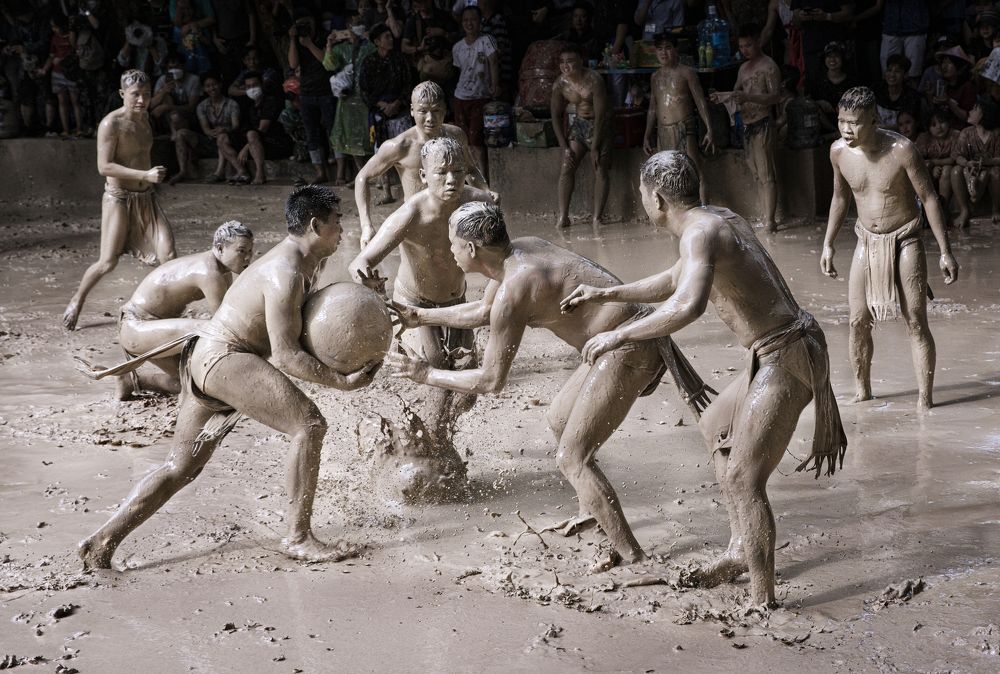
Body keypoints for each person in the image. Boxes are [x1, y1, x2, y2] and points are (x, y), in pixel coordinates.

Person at [565, 151, 848, 607]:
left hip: (788, 354)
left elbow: (687, 306)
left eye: (641, 192)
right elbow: (676, 280)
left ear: (655, 197)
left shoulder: (700, 232)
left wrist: (618, 334)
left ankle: (763, 599)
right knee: (716, 425)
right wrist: (607, 292)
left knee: (742, 479)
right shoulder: (713, 219)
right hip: (775, 349)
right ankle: (740, 549)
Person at [387, 199, 711, 571]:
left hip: (629, 346)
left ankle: (633, 557)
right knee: (559, 420)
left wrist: (425, 374)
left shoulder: (514, 287)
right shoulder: (519, 253)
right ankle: (592, 512)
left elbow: (492, 381)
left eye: (452, 243)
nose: (449, 250)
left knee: (572, 458)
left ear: (472, 249)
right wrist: (420, 316)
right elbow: (481, 312)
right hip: (612, 344)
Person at [77, 185, 382, 571]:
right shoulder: (284, 272)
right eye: (338, 222)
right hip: (225, 358)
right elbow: (287, 355)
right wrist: (343, 382)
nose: (343, 229)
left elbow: (308, 324)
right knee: (309, 425)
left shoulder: (310, 261)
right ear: (315, 224)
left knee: (180, 468)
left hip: (207, 359)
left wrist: (366, 301)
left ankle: (101, 542)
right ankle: (298, 537)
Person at [349, 138, 493, 469]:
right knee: (439, 368)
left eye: (458, 172)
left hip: (457, 300)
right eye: (441, 172)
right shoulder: (411, 213)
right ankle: (432, 448)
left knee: (470, 386)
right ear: (424, 176)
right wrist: (367, 281)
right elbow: (361, 261)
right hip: (414, 304)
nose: (452, 180)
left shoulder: (478, 204)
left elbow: (502, 258)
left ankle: (436, 432)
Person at [822, 86, 959, 413]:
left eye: (854, 122)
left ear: (873, 119)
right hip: (865, 240)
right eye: (842, 121)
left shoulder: (902, 150)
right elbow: (840, 198)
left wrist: (945, 251)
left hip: (906, 239)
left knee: (915, 321)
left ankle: (925, 399)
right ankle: (863, 391)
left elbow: (928, 198)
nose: (846, 129)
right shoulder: (838, 152)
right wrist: (827, 243)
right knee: (857, 320)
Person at [77, 221, 254, 400]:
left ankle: (132, 381)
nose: (248, 258)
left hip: (154, 329)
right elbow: (224, 326)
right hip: (136, 328)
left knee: (197, 385)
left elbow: (230, 312)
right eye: (241, 251)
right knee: (207, 330)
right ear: (220, 248)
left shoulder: (222, 270)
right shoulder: (209, 273)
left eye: (250, 251)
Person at [63, 70, 176, 332]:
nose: (141, 100)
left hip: (146, 198)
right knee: (107, 262)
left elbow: (155, 101)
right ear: (122, 94)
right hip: (119, 198)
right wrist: (144, 174)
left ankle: (162, 307)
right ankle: (77, 300)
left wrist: (163, 93)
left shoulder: (146, 116)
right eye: (135, 94)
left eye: (146, 95)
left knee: (168, 256)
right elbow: (104, 167)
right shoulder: (110, 124)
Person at [354, 80, 493, 246]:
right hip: (416, 222)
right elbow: (362, 177)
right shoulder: (400, 146)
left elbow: (470, 169)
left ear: (445, 110)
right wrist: (366, 225)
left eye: (436, 110)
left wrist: (486, 192)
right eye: (423, 111)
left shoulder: (456, 135)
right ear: (412, 111)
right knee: (414, 271)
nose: (430, 118)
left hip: (452, 217)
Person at [711, 24, 782, 232]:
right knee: (757, 173)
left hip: (763, 122)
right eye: (741, 46)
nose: (745, 50)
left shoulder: (769, 66)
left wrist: (748, 97)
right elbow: (736, 95)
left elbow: (776, 97)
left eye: (749, 45)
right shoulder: (743, 68)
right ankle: (765, 216)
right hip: (747, 125)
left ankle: (770, 221)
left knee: (767, 173)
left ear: (758, 42)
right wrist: (720, 97)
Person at [643, 32, 715, 204]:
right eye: (660, 49)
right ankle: (674, 215)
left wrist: (710, 129)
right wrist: (647, 135)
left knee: (695, 171)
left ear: (676, 50)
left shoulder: (686, 73)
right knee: (666, 174)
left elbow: (700, 102)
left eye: (668, 48)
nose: (663, 52)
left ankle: (704, 211)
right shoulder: (655, 77)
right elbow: (653, 107)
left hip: (684, 127)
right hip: (663, 130)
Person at [550, 43, 612, 229]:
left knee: (600, 168)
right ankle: (563, 217)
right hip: (579, 124)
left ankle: (597, 218)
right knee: (566, 167)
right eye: (562, 62)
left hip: (601, 125)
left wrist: (595, 147)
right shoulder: (561, 83)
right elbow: (554, 115)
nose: (565, 66)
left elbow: (601, 114)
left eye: (570, 61)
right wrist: (564, 147)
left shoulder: (594, 80)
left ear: (580, 61)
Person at [359, 22, 413, 204]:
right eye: (386, 37)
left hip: (400, 110)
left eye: (391, 36)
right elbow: (364, 90)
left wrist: (397, 103)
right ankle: (387, 192)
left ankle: (410, 192)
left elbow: (408, 85)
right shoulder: (368, 62)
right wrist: (381, 104)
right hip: (379, 113)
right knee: (381, 153)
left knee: (406, 152)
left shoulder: (400, 60)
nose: (390, 39)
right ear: (377, 41)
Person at [323, 14, 375, 187]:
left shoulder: (369, 46)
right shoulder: (341, 48)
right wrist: (329, 45)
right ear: (347, 26)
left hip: (367, 98)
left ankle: (376, 175)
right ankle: (361, 176)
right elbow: (329, 65)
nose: (357, 27)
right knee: (351, 139)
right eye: (355, 24)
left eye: (361, 24)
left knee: (371, 137)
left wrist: (369, 39)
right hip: (347, 100)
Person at [451, 6, 499, 180]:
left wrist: (495, 85)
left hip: (481, 97)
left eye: (473, 20)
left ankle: (484, 181)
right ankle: (468, 180)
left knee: (477, 142)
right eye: (466, 20)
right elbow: (458, 72)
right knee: (462, 142)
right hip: (460, 97)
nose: (469, 23)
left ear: (480, 22)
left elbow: (493, 62)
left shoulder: (487, 40)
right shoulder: (457, 47)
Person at [288, 12, 336, 184]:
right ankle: (320, 172)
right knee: (311, 134)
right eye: (300, 24)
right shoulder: (298, 41)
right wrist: (293, 40)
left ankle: (340, 172)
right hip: (307, 93)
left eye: (307, 23)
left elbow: (325, 60)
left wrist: (308, 44)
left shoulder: (323, 37)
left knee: (333, 131)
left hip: (325, 90)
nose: (304, 27)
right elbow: (293, 64)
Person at [236, 70, 294, 185]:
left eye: (255, 85)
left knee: (251, 134)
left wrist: (245, 148)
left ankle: (260, 174)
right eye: (248, 86)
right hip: (259, 144)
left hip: (276, 143)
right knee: (224, 138)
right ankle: (241, 172)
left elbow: (262, 129)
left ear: (262, 84)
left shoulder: (270, 101)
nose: (252, 89)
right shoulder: (250, 105)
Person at [191, 72, 250, 184]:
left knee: (222, 138)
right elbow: (206, 129)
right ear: (204, 88)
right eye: (208, 86)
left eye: (214, 84)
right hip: (212, 139)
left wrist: (224, 130)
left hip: (231, 138)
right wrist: (212, 133)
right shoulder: (202, 106)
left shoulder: (232, 104)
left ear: (220, 85)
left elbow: (235, 125)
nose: (212, 88)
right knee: (183, 134)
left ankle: (238, 172)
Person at [950, 98, 1000, 227]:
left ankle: (996, 209)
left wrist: (989, 161)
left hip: (991, 169)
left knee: (996, 173)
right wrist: (967, 163)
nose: (969, 112)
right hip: (972, 169)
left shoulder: (996, 133)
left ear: (984, 114)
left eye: (974, 109)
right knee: (955, 170)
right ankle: (964, 210)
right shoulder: (966, 133)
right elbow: (957, 156)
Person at [149, 50, 201, 137]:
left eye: (176, 67)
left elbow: (191, 108)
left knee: (175, 116)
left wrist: (167, 107)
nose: (173, 70)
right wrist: (164, 91)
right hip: (167, 117)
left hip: (186, 116)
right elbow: (152, 105)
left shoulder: (193, 80)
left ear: (183, 66)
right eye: (170, 68)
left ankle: (175, 134)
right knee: (166, 98)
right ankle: (173, 133)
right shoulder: (163, 79)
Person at [915, 111, 959, 208]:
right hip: (931, 171)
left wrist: (934, 162)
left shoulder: (955, 135)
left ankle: (943, 207)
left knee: (947, 169)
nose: (939, 127)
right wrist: (932, 167)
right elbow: (919, 159)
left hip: (950, 171)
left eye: (942, 122)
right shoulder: (924, 137)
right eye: (933, 124)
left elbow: (954, 159)